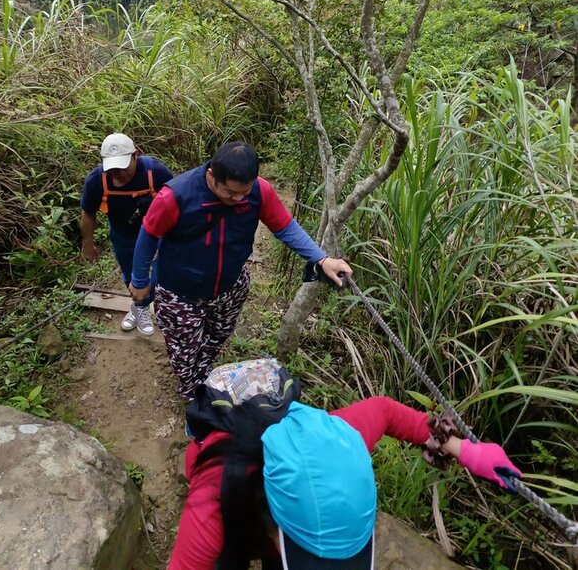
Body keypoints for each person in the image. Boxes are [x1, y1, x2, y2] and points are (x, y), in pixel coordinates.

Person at [169, 365, 523, 570]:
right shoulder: (211, 508)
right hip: (231, 471)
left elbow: (385, 411)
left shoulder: (339, 441)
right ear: (270, 519)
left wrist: (464, 449)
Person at [129, 141, 352, 400]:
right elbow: (148, 235)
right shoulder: (175, 196)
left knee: (217, 336)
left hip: (230, 285)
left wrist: (322, 260)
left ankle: (203, 375)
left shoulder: (260, 191)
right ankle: (193, 396)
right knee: (184, 351)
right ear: (212, 176)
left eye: (243, 193)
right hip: (181, 291)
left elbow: (285, 227)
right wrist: (139, 279)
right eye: (230, 193)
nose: (237, 199)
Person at [80, 133, 173, 335]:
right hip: (123, 235)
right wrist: (88, 244)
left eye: (123, 167)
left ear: (136, 155)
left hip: (157, 234)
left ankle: (163, 308)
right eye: (113, 169)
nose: (119, 174)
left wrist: (159, 204)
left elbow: (177, 199)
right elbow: (88, 212)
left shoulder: (154, 171)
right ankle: (139, 307)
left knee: (162, 272)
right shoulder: (97, 180)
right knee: (131, 275)